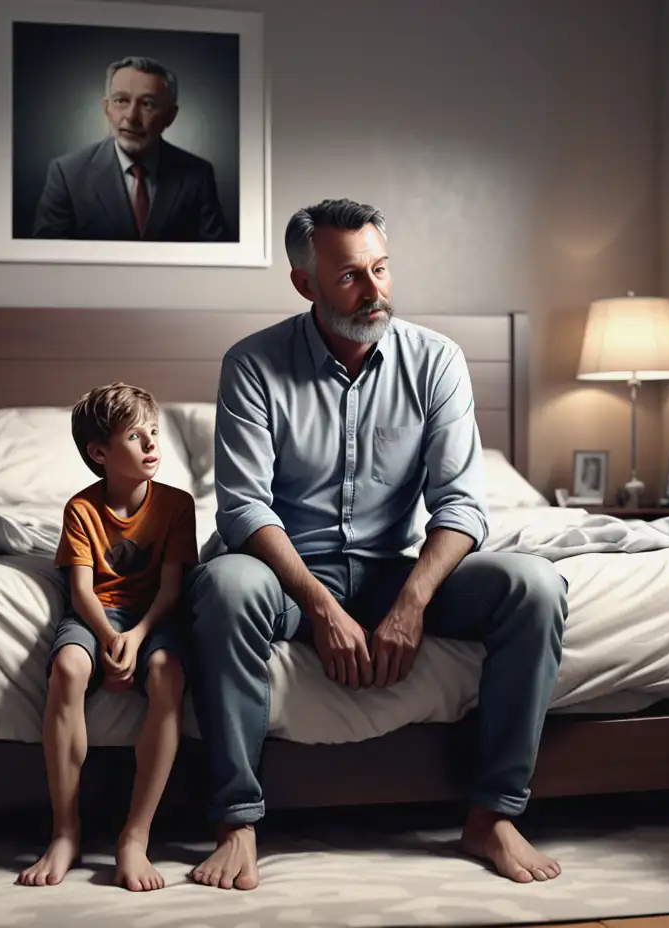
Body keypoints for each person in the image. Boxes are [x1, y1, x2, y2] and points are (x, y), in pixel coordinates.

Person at [184, 198, 569, 891]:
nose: (374, 291)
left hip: (397, 570)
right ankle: (236, 822)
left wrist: (413, 602)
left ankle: (493, 815)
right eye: (349, 277)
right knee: (223, 585)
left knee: (535, 585)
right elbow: (243, 506)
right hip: (288, 580)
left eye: (381, 270)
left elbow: (460, 502)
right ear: (305, 284)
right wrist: (322, 608)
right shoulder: (252, 364)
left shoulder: (438, 361)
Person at [18, 382, 198, 891]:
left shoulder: (177, 506)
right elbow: (80, 591)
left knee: (168, 673)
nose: (152, 446)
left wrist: (137, 638)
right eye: (136, 436)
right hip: (99, 613)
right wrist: (106, 637)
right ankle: (65, 831)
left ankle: (134, 837)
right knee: (68, 668)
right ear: (100, 453)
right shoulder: (80, 510)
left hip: (151, 618)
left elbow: (170, 590)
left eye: (155, 434)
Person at [31, 56, 230, 242]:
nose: (132, 117)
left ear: (170, 116)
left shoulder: (198, 175)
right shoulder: (66, 174)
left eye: (147, 104)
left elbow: (219, 258)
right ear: (106, 108)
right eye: (121, 101)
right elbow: (47, 263)